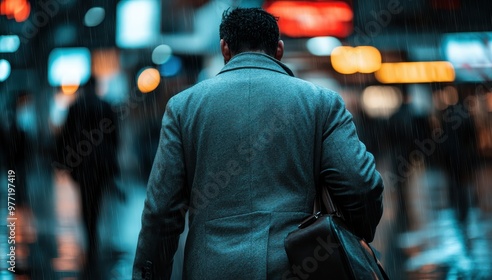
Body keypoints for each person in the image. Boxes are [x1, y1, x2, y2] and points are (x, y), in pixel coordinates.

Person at [133, 8, 384, 280]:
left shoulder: (183, 107)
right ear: (279, 49)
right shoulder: (320, 102)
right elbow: (361, 184)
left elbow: (161, 212)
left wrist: (149, 274)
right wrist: (360, 230)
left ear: (224, 49)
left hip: (211, 269)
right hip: (297, 264)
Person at [54, 77, 121, 279]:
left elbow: (66, 136)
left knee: (86, 200)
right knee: (98, 200)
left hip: (82, 163)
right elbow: (114, 138)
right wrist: (111, 162)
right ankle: (94, 234)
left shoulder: (75, 107)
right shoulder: (106, 106)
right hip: (101, 164)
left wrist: (64, 161)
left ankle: (90, 234)